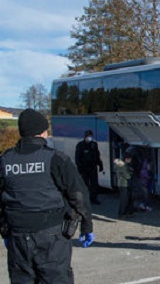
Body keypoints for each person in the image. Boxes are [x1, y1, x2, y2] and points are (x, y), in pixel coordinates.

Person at [0, 109, 94, 284]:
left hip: (18, 238)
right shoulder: (55, 159)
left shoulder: (5, 160)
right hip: (51, 237)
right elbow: (78, 195)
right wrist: (87, 226)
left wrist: (4, 229)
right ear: (42, 132)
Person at [74, 130, 103, 205]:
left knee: (94, 184)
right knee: (85, 184)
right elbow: (77, 157)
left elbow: (97, 155)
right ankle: (86, 199)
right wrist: (79, 167)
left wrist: (100, 165)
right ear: (85, 137)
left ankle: (94, 198)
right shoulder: (80, 145)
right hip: (84, 168)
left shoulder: (94, 144)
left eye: (90, 136)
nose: (89, 138)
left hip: (92, 167)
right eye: (88, 136)